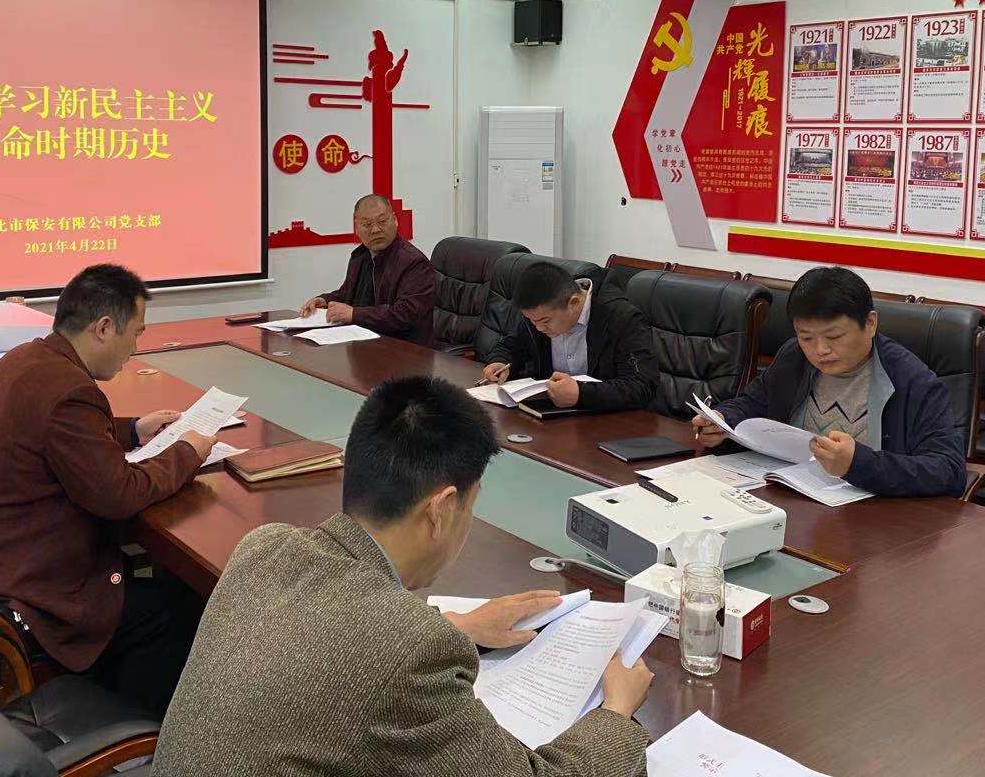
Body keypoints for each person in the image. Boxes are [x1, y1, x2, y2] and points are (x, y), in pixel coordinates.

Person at [152, 375, 652, 777]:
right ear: (442, 509)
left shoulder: (265, 548)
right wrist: (616, 714)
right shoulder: (409, 648)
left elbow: (337, 634)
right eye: (471, 506)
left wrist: (460, 626)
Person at [0, 264, 221, 718]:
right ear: (104, 327)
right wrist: (187, 452)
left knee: (151, 584)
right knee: (175, 607)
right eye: (135, 333)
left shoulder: (26, 359)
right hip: (19, 590)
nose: (135, 348)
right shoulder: (69, 389)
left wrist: (132, 431)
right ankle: (138, 734)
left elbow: (58, 432)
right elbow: (119, 495)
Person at [691, 266, 965, 498]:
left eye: (834, 337)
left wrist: (857, 463)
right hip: (795, 497)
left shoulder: (911, 379)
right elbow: (752, 403)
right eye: (806, 337)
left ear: (870, 323)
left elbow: (949, 471)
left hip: (874, 516)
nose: (819, 350)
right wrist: (722, 420)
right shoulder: (794, 357)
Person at [481, 261, 658, 412]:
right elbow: (511, 346)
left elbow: (641, 386)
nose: (539, 328)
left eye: (545, 321)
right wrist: (500, 361)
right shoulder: (539, 314)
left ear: (574, 302)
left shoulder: (621, 318)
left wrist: (582, 394)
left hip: (608, 420)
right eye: (532, 321)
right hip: (551, 415)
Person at [298, 194, 437, 346]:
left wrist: (354, 314)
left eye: (382, 222)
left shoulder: (414, 262)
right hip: (368, 343)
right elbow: (347, 293)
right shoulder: (360, 256)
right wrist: (324, 301)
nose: (375, 230)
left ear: (395, 220)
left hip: (406, 349)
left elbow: (405, 314)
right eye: (367, 224)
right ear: (357, 228)